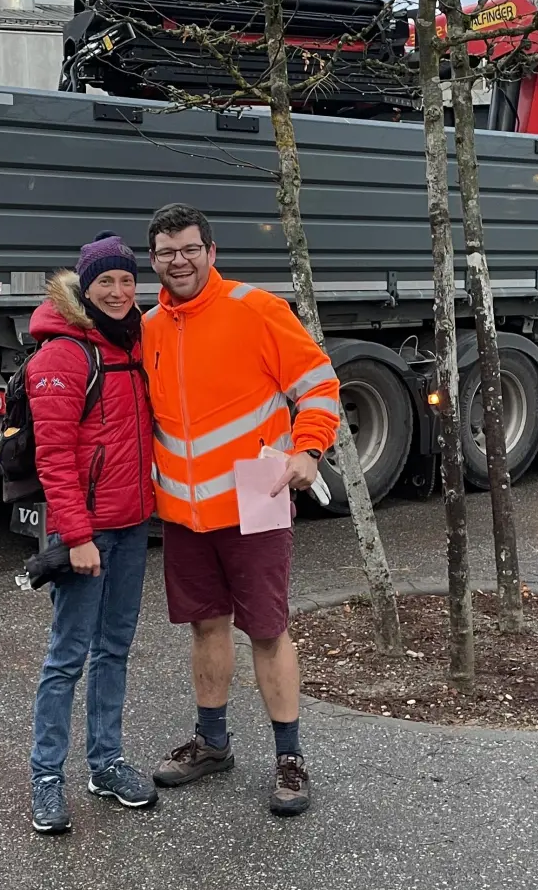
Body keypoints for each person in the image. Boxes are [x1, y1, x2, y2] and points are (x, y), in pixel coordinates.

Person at [141, 204, 341, 817]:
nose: (179, 261)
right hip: (184, 513)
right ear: (154, 259)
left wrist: (309, 449)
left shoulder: (256, 310)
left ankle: (289, 757)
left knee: (267, 630)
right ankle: (213, 743)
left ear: (212, 252)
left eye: (189, 249)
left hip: (255, 499)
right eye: (167, 252)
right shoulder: (149, 326)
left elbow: (319, 383)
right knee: (206, 626)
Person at [25, 232, 158, 835]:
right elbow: (53, 458)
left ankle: (106, 764)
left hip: (132, 526)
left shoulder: (134, 341)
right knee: (66, 658)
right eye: (106, 281)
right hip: (89, 534)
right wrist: (77, 536)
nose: (119, 290)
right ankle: (46, 778)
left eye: (127, 280)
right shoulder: (64, 354)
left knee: (114, 650)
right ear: (85, 286)